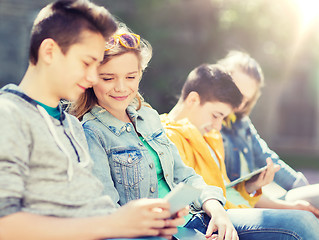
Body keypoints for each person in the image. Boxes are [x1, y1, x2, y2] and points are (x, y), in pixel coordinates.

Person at [0, 1, 187, 239]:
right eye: (86, 63)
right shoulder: (6, 113)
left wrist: (148, 222)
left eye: (96, 66)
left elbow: (95, 208)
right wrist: (116, 224)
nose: (93, 76)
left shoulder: (71, 125)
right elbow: (5, 228)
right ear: (49, 52)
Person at [73, 25, 238, 240]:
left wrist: (217, 210)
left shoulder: (149, 117)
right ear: (91, 78)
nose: (121, 88)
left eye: (130, 77)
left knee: (294, 224)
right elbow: (109, 215)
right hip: (156, 234)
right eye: (108, 78)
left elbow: (186, 176)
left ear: (140, 74)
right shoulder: (91, 132)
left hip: (195, 218)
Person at [161, 63, 319, 239]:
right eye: (215, 116)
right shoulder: (167, 136)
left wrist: (251, 187)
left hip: (235, 209)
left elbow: (225, 188)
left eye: (222, 118)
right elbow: (191, 197)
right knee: (301, 222)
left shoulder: (211, 137)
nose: (218, 126)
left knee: (306, 215)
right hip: (211, 217)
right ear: (192, 100)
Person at [218, 50, 319, 211]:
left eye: (246, 98)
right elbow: (226, 191)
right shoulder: (209, 127)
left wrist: (299, 186)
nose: (239, 103)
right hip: (240, 206)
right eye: (236, 92)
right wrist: (289, 206)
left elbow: (266, 157)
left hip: (255, 200)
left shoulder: (241, 123)